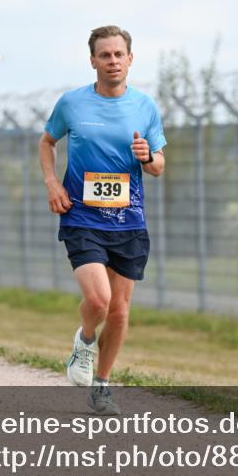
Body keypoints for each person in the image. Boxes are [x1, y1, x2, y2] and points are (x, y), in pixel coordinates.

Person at [39, 25, 166, 415]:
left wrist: (147, 157)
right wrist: (52, 183)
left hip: (128, 221)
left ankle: (102, 385)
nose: (112, 61)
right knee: (98, 299)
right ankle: (84, 341)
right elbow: (47, 143)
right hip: (82, 216)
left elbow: (159, 166)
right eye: (105, 55)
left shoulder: (145, 107)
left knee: (121, 310)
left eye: (119, 54)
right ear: (93, 60)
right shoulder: (72, 104)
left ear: (130, 59)